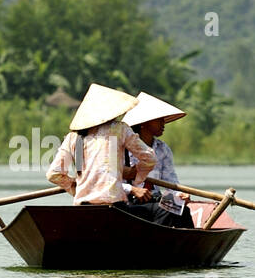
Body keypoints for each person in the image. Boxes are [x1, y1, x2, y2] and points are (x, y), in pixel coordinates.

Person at [46, 83, 191, 227]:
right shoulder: (119, 129)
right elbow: (149, 158)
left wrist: (75, 187)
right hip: (115, 208)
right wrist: (136, 176)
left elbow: (54, 174)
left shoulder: (74, 137)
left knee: (175, 209)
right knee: (164, 212)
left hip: (83, 207)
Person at [121, 92, 188, 211]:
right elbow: (110, 182)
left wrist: (179, 195)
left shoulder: (163, 149)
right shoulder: (122, 148)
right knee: (164, 211)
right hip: (129, 202)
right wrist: (134, 190)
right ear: (144, 122)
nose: (163, 123)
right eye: (159, 120)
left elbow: (171, 182)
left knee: (182, 211)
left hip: (155, 200)